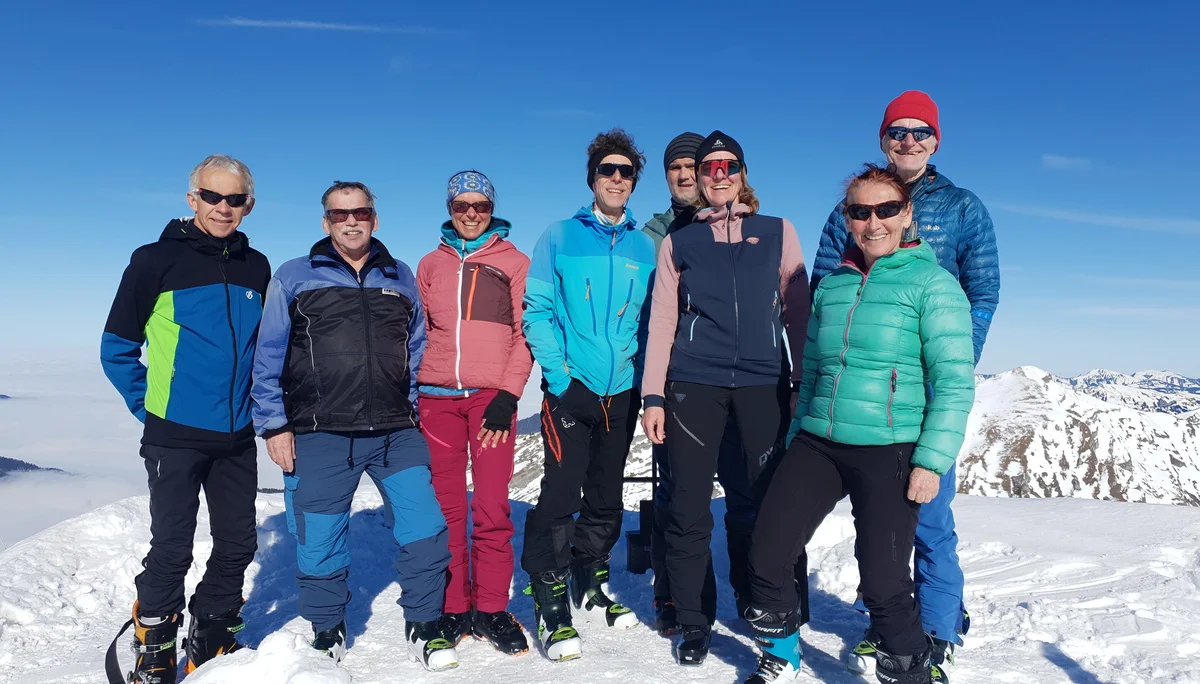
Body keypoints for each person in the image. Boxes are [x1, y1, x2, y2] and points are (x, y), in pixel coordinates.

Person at [743, 164, 975, 684]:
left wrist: (931, 462)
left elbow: (955, 383)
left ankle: (909, 671)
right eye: (860, 211)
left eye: (886, 209)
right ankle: (782, 653)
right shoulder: (833, 286)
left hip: (890, 448)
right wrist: (796, 435)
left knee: (884, 582)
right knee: (768, 551)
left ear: (907, 214)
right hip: (819, 442)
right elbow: (814, 370)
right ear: (847, 219)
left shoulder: (934, 286)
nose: (874, 222)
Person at [809, 90, 1000, 679]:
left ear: (936, 141)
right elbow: (825, 287)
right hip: (866, 392)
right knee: (879, 519)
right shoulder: (851, 206)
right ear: (883, 139)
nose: (909, 141)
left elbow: (982, 291)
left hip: (925, 388)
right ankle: (887, 622)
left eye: (921, 132)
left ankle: (938, 630)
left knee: (929, 514)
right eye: (898, 131)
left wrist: (950, 366)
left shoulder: (963, 208)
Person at [251, 181, 456, 672]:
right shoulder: (294, 275)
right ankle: (327, 630)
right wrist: (274, 425)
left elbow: (415, 347)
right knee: (319, 539)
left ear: (374, 219)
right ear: (326, 222)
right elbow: (269, 353)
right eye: (339, 213)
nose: (351, 221)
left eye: (360, 212)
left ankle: (424, 623)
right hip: (319, 432)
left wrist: (409, 407)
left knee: (426, 530)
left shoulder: (399, 275)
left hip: (394, 432)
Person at [640, 130, 810, 665]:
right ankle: (694, 621)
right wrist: (653, 395)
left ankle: (766, 602)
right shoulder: (679, 242)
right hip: (694, 384)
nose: (718, 175)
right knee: (688, 509)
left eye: (727, 165)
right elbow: (663, 321)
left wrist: (802, 383)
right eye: (708, 167)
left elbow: (798, 313)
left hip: (764, 383)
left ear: (741, 173)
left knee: (762, 504)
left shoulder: (777, 231)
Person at [100, 154, 270, 684]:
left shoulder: (256, 267)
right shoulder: (155, 260)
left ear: (248, 205)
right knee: (172, 548)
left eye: (234, 199)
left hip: (237, 436)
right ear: (193, 198)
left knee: (238, 545)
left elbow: (264, 351)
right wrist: (151, 410)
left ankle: (212, 634)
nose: (223, 207)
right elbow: (116, 349)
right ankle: (154, 650)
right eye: (212, 196)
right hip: (174, 437)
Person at [521, 128, 656, 661]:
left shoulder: (644, 246)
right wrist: (559, 377)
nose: (617, 179)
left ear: (634, 182)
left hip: (621, 392)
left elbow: (650, 322)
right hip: (570, 389)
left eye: (626, 172)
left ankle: (591, 579)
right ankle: (549, 596)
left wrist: (641, 382)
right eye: (608, 170)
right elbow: (537, 310)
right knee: (560, 494)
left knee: (605, 494)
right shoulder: (559, 236)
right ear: (592, 178)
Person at [415, 170, 533, 656]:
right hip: (435, 398)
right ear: (449, 209)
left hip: (490, 399)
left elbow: (525, 333)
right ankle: (454, 607)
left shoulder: (514, 262)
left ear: (491, 210)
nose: (470, 214)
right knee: (446, 509)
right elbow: (417, 332)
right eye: (461, 205)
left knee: (490, 506)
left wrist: (509, 394)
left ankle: (490, 608)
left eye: (479, 206)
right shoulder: (430, 265)